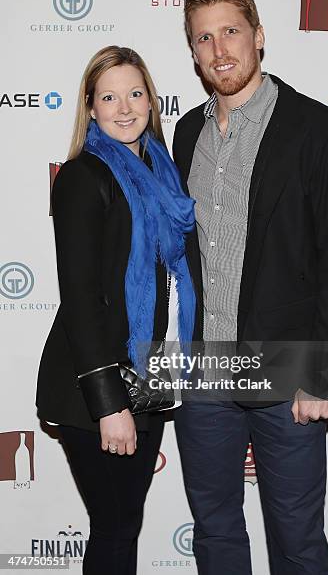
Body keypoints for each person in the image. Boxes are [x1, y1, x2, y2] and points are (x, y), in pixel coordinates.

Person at [173, 0, 328, 575]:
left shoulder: (321, 131)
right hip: (205, 367)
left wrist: (324, 377)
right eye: (203, 37)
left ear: (258, 36)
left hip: (287, 368)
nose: (218, 49)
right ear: (194, 53)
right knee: (216, 531)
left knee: (297, 538)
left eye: (230, 30)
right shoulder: (185, 135)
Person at [36, 45, 196, 575]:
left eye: (135, 93)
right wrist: (109, 404)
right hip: (95, 387)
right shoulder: (84, 176)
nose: (124, 107)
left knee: (125, 523)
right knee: (114, 528)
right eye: (109, 96)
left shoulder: (164, 174)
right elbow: (80, 298)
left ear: (151, 100)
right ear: (91, 106)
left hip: (148, 378)